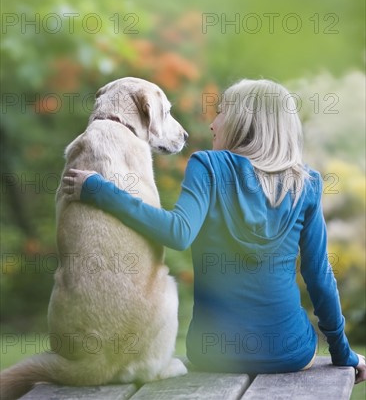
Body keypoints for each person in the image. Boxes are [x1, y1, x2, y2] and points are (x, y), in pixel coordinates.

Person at [63, 78, 365, 383]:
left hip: (213, 352)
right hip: (290, 352)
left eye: (221, 113)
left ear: (244, 122)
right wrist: (344, 355)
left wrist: (98, 190)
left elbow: (177, 233)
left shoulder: (208, 165)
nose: (213, 124)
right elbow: (319, 276)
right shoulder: (307, 183)